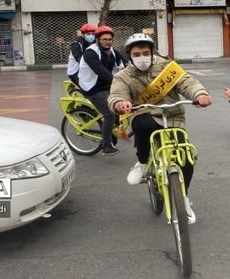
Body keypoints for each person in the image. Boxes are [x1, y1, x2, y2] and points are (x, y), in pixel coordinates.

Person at [108, 33, 213, 224]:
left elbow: (187, 82)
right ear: (130, 56)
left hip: (172, 115)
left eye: (145, 52)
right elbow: (116, 94)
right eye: (137, 54)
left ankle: (183, 198)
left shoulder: (167, 68)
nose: (142, 57)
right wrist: (120, 102)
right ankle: (142, 162)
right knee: (143, 124)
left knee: (185, 157)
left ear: (152, 52)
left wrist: (200, 94)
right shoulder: (123, 76)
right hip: (144, 113)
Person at [78, 25, 125, 156]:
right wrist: (120, 82)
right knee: (109, 113)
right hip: (93, 87)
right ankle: (106, 145)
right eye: (104, 39)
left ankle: (113, 129)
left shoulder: (113, 51)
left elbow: (126, 62)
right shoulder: (90, 53)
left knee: (123, 102)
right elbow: (102, 72)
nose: (107, 41)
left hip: (106, 84)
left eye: (110, 39)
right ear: (97, 40)